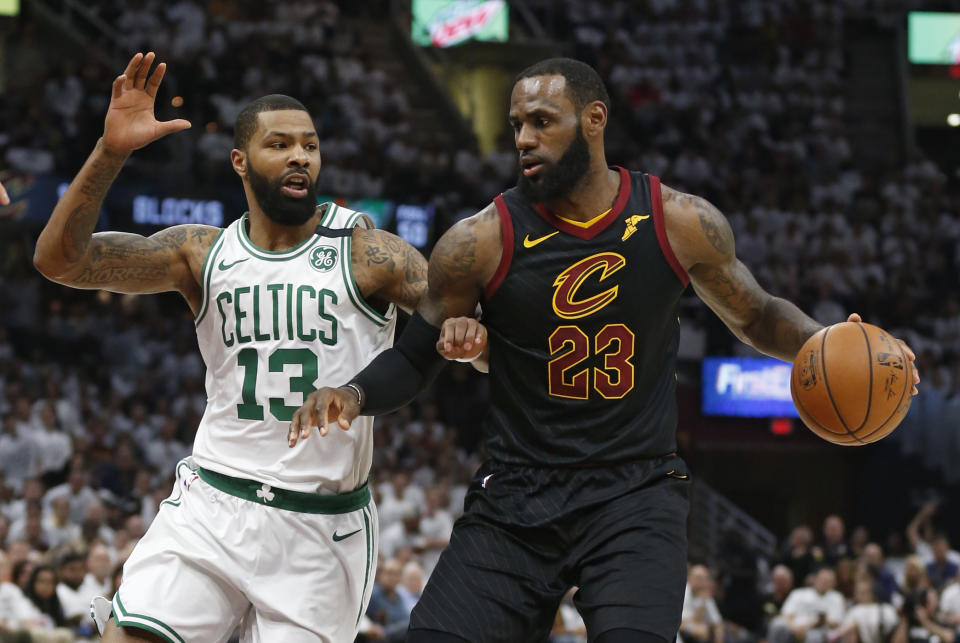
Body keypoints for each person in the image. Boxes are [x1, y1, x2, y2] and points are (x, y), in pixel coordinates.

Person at [288, 57, 920, 642]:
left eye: (542, 121)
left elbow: (756, 314)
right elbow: (415, 356)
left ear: (595, 120)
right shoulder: (477, 241)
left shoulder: (677, 220)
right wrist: (354, 393)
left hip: (635, 493)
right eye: (516, 126)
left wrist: (831, 343)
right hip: (517, 496)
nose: (524, 140)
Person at [33, 51, 430, 642]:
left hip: (317, 527)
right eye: (280, 144)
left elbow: (454, 327)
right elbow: (59, 261)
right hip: (211, 505)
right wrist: (111, 151)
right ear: (240, 161)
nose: (300, 155)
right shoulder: (202, 251)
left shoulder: (370, 254)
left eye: (310, 145)